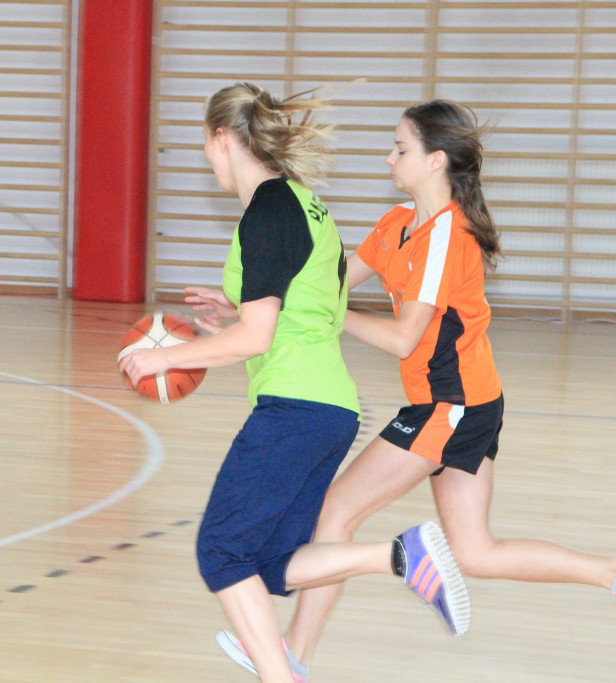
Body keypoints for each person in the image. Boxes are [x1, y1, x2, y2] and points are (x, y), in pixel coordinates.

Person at [118, 83, 470, 683]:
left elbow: (257, 338)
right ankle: (398, 555)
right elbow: (310, 307)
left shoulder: (266, 213)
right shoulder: (305, 204)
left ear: (221, 138)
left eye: (204, 143)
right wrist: (238, 306)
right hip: (329, 409)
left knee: (221, 552)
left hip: (295, 408)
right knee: (273, 562)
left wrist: (164, 359)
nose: (206, 156)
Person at [261, 100, 616, 681]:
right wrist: (252, 304)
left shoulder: (448, 237)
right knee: (475, 553)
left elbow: (402, 338)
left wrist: (332, 318)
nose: (388, 157)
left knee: (335, 511)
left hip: (452, 405)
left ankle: (294, 656)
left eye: (400, 148)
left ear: (435, 160)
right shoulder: (397, 224)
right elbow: (326, 286)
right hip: (469, 402)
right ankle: (611, 573)